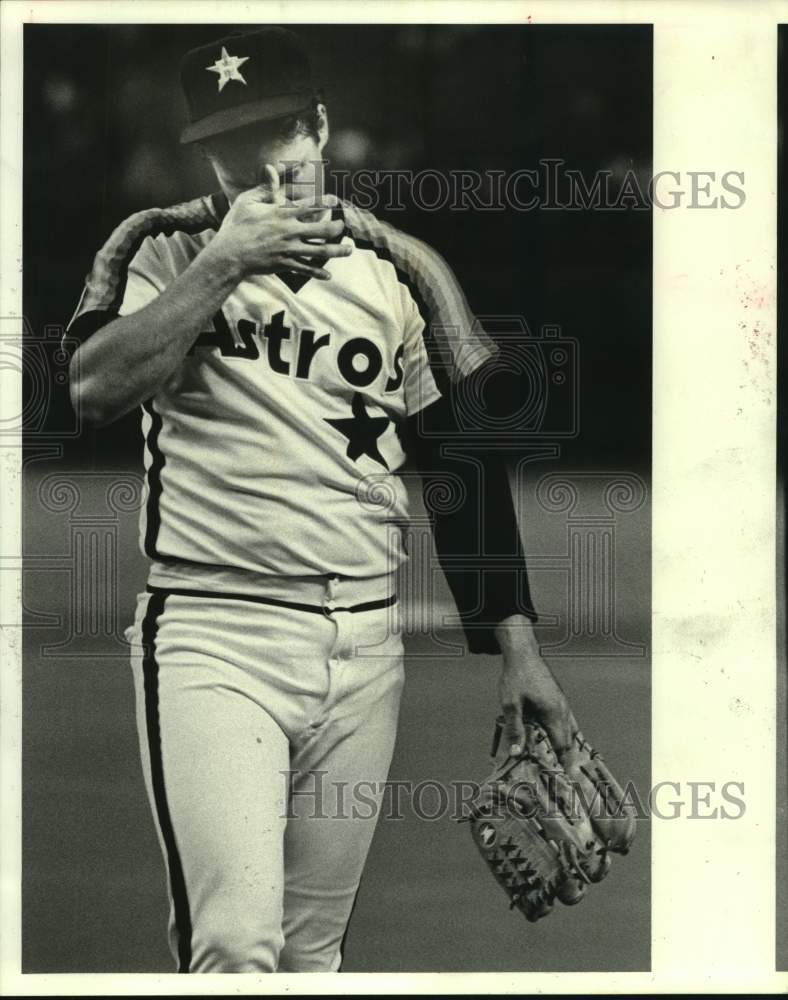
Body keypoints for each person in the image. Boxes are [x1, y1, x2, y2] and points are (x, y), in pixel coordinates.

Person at [66, 26, 580, 973]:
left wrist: (520, 650)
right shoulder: (163, 252)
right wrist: (225, 263)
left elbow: (456, 469)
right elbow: (94, 389)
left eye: (282, 142)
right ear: (206, 156)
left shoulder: (396, 269)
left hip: (364, 650)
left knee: (311, 958)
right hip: (218, 636)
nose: (264, 170)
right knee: (233, 944)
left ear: (321, 130)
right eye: (234, 150)